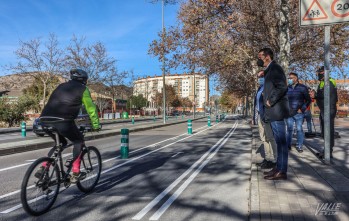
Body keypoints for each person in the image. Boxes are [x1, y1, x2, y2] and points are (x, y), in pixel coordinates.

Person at [36, 68, 100, 183]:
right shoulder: (83, 89)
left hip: (44, 120)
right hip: (63, 121)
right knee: (79, 141)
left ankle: (44, 166)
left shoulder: (61, 86)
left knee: (60, 144)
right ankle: (75, 172)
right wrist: (95, 125)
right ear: (84, 80)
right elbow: (91, 109)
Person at [257, 48, 290, 180]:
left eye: (260, 56)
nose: (258, 59)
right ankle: (278, 168)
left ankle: (282, 171)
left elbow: (282, 86)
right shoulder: (269, 70)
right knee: (278, 141)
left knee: (281, 142)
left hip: (277, 110)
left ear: (267, 57)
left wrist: (271, 100)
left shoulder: (275, 68)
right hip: (273, 111)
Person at [310, 66, 338, 158]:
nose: (318, 74)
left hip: (328, 110)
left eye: (319, 72)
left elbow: (327, 96)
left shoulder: (329, 81)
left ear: (324, 73)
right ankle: (326, 150)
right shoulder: (322, 82)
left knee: (328, 131)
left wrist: (316, 95)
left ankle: (328, 152)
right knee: (325, 131)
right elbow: (322, 95)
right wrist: (315, 95)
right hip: (324, 109)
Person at [253, 73, 277, 169]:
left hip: (267, 116)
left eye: (262, 76)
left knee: (270, 137)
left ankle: (274, 159)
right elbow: (256, 105)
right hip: (260, 116)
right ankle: (267, 158)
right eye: (259, 77)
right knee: (263, 138)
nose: (260, 79)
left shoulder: (269, 88)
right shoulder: (259, 89)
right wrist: (254, 118)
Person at [286, 73, 311, 153]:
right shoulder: (287, 88)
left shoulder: (303, 88)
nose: (289, 79)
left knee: (299, 129)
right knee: (289, 129)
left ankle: (299, 145)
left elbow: (308, 100)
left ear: (296, 78)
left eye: (291, 78)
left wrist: (302, 109)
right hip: (289, 113)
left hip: (299, 113)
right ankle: (288, 145)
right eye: (289, 78)